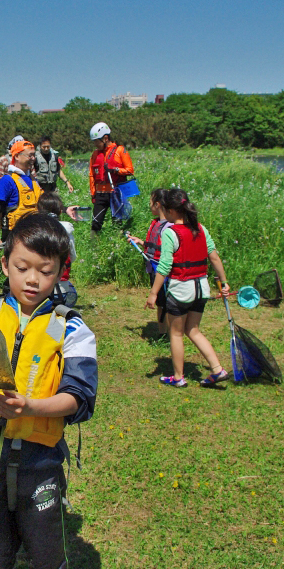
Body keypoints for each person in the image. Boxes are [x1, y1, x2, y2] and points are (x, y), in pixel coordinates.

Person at [0, 212, 98, 569]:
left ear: (61, 272)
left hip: (39, 466)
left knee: (47, 555)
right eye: (22, 267)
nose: (33, 279)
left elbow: (79, 398)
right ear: (4, 264)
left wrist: (30, 407)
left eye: (46, 271)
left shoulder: (73, 329)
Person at [145, 188, 229, 388]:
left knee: (176, 333)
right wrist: (224, 282)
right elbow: (214, 256)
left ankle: (178, 377)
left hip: (181, 289)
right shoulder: (200, 228)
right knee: (193, 330)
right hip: (201, 288)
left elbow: (164, 267)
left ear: (171, 211)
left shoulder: (170, 233)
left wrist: (153, 293)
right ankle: (217, 369)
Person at [127, 188, 170, 334]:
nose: (149, 205)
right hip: (154, 267)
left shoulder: (168, 227)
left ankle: (166, 333)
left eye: (151, 202)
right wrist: (141, 242)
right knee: (160, 302)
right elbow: (154, 245)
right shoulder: (157, 223)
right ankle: (163, 331)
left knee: (164, 303)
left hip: (162, 270)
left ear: (157, 205)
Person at [0, 139, 43, 252]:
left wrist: (65, 209)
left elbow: (44, 202)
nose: (33, 159)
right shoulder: (7, 180)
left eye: (34, 155)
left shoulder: (33, 179)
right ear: (17, 156)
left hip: (34, 233)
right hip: (14, 235)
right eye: (30, 155)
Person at [88, 122, 134, 233]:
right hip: (100, 194)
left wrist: (115, 170)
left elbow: (130, 170)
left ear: (105, 138)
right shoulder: (95, 154)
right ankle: (93, 246)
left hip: (116, 193)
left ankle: (117, 244)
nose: (95, 144)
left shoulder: (120, 151)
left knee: (117, 223)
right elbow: (92, 175)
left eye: (96, 141)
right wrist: (93, 193)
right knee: (95, 223)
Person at [37, 191, 78, 306]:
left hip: (39, 290)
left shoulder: (35, 230)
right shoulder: (67, 230)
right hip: (61, 290)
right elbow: (72, 257)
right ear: (60, 211)